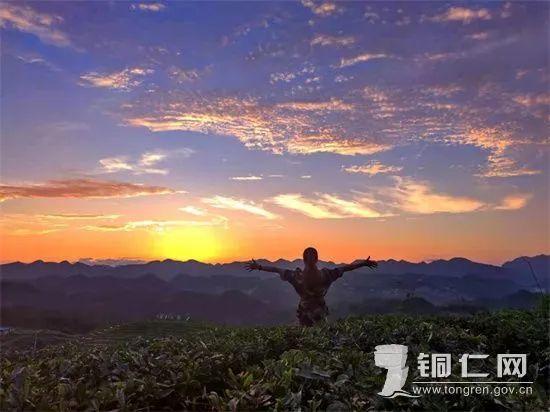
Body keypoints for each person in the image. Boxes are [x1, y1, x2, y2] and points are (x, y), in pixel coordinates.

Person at [245, 247, 377, 326]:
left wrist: (259, 267)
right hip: (316, 313)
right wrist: (363, 263)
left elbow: (276, 269)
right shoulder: (326, 275)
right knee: (321, 339)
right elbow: (347, 268)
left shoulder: (297, 276)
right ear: (317, 259)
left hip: (306, 314)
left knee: (308, 342)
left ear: (303, 260)